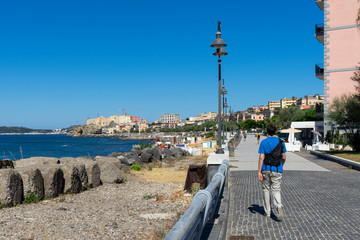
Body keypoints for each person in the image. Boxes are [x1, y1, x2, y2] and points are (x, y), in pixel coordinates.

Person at [258, 123, 287, 221]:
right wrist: (281, 166)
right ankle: (278, 205)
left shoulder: (263, 142)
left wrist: (259, 171)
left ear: (267, 131)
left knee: (266, 189)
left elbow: (261, 157)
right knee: (276, 190)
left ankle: (268, 212)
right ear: (275, 131)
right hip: (277, 169)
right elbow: (284, 157)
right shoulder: (281, 142)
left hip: (266, 169)